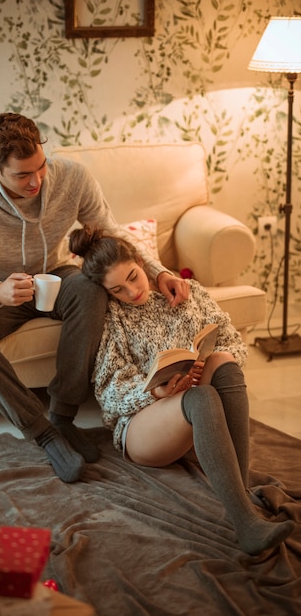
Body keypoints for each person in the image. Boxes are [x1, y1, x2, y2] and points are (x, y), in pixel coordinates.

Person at [0, 112, 189, 484]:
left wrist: (158, 271)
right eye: (22, 175)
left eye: (40, 167)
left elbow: (111, 233)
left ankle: (63, 417)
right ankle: (44, 433)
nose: (35, 181)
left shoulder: (73, 177)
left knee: (87, 288)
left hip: (51, 275)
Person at [68, 225, 296, 555]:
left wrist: (205, 363)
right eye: (117, 289)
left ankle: (241, 489)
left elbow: (233, 341)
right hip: (143, 426)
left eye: (134, 277)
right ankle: (245, 523)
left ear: (141, 262)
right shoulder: (112, 318)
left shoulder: (189, 292)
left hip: (186, 402)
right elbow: (108, 390)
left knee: (224, 360)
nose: (132, 292)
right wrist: (155, 393)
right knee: (200, 397)